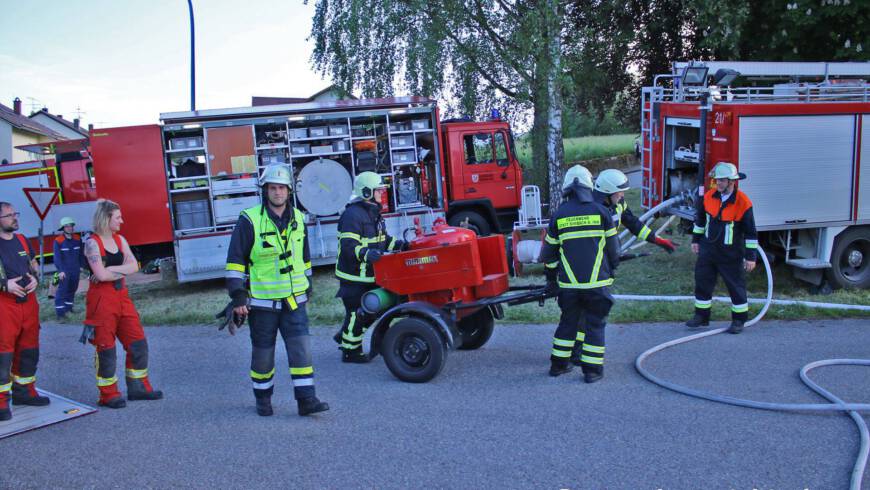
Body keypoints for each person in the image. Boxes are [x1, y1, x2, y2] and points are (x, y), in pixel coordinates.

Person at [225, 165, 329, 417]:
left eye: (282, 188)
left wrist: (308, 282)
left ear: (289, 191)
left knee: (301, 350)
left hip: (294, 301)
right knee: (263, 354)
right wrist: (238, 296)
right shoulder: (249, 220)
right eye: (273, 187)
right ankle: (263, 399)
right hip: (262, 303)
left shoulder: (299, 219)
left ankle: (307, 400)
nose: (278, 192)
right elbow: (235, 260)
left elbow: (303, 256)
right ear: (266, 191)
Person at [539, 166, 620, 383]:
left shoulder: (559, 216)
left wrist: (551, 279)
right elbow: (614, 251)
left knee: (568, 323)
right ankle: (592, 371)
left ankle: (558, 366)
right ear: (588, 186)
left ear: (567, 188)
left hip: (569, 286)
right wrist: (611, 269)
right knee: (595, 325)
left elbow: (549, 254)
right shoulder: (602, 212)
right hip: (597, 284)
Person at [84, 199, 163, 408]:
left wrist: (109, 272)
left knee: (137, 342)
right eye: (118, 217)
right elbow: (100, 275)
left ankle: (138, 388)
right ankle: (108, 394)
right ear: (106, 217)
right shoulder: (92, 243)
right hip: (101, 300)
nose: (122, 220)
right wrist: (115, 271)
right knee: (106, 348)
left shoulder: (120, 240)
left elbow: (134, 266)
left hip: (122, 296)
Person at [333, 172, 406, 363]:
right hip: (354, 277)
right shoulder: (352, 215)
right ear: (366, 192)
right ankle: (350, 351)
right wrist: (366, 254)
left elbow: (383, 240)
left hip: (370, 275)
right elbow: (349, 246)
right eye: (378, 190)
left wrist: (400, 245)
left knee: (374, 308)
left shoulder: (374, 212)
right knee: (358, 313)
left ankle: (344, 335)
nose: (381, 194)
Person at [687, 162, 758, 334]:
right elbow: (700, 221)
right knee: (702, 282)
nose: (718, 183)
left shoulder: (743, 203)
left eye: (722, 181)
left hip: (731, 254)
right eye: (717, 180)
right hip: (708, 250)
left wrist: (751, 257)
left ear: (732, 181)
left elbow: (751, 233)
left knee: (736, 286)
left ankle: (739, 320)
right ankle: (701, 316)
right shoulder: (709, 197)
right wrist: (696, 240)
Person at [0, 202, 49, 421]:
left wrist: (35, 278)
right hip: (4, 303)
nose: (14, 218)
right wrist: (4, 285)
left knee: (29, 349)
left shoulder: (21, 239)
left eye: (15, 213)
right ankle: (1, 402)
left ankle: (24, 392)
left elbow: (32, 263)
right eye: (9, 215)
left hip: (28, 302)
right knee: (3, 353)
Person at [593, 169, 677, 254]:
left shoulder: (619, 203)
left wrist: (657, 240)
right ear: (608, 192)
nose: (622, 195)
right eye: (620, 192)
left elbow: (633, 224)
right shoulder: (591, 210)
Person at [52, 217, 84, 319]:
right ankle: (60, 314)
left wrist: (83, 266)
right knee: (62, 291)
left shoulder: (78, 239)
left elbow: (81, 255)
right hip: (64, 271)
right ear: (63, 228)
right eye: (67, 226)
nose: (70, 228)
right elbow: (57, 258)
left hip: (75, 270)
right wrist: (60, 271)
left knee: (72, 289)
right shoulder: (58, 241)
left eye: (71, 225)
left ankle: (68, 309)